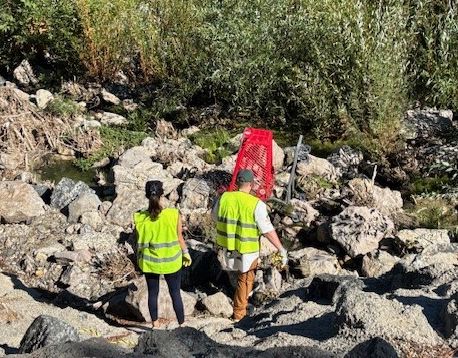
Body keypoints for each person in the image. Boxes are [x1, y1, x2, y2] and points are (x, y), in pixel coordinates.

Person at [213, 169, 288, 321]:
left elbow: (215, 216)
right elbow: (267, 230)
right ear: (251, 184)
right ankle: (239, 314)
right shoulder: (256, 204)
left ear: (237, 182)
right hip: (248, 248)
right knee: (245, 279)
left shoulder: (224, 198)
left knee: (237, 275)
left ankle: (238, 304)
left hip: (227, 245)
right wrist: (281, 249)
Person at [133, 180, 192, 328]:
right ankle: (182, 324)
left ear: (147, 195)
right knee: (175, 293)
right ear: (162, 194)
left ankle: (155, 324)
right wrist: (186, 253)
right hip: (172, 261)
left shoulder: (139, 217)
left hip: (150, 262)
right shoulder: (173, 214)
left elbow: (138, 242)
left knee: (153, 293)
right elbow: (179, 237)